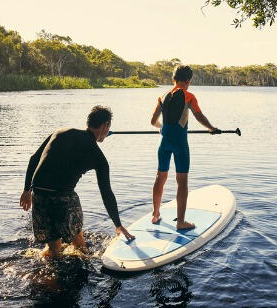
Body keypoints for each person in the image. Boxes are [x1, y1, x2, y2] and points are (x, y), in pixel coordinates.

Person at [20, 105, 135, 257]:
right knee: (79, 241)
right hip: (62, 197)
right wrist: (118, 225)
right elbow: (106, 192)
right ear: (104, 126)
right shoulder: (98, 157)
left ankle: (51, 275)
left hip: (39, 194)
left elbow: (34, 159)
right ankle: (85, 262)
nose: (107, 131)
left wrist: (27, 190)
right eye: (108, 127)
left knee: (54, 247)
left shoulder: (61, 132)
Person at [150, 65, 220, 230]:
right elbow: (199, 116)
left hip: (164, 143)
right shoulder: (189, 96)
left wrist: (161, 127)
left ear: (173, 79)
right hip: (180, 144)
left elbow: (153, 121)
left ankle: (155, 214)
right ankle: (181, 222)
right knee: (182, 181)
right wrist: (211, 128)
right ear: (188, 80)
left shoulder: (162, 96)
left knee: (160, 176)